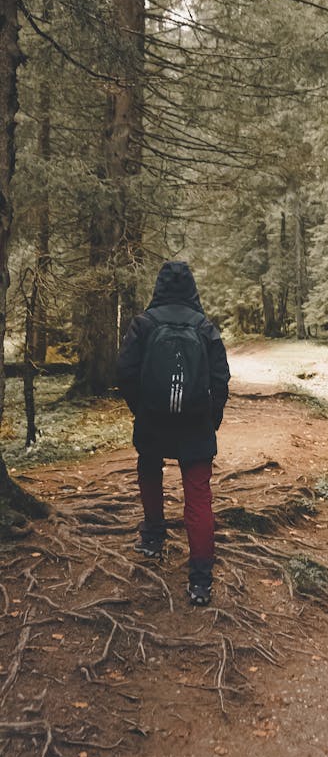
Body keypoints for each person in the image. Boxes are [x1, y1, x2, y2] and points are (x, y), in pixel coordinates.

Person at [116, 260, 230, 607]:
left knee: (149, 471)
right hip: (195, 424)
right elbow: (220, 379)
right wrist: (211, 418)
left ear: (159, 286)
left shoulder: (143, 324)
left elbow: (124, 372)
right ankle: (199, 580)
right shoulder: (205, 327)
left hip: (153, 420)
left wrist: (142, 409)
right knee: (198, 495)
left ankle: (152, 538)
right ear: (192, 288)